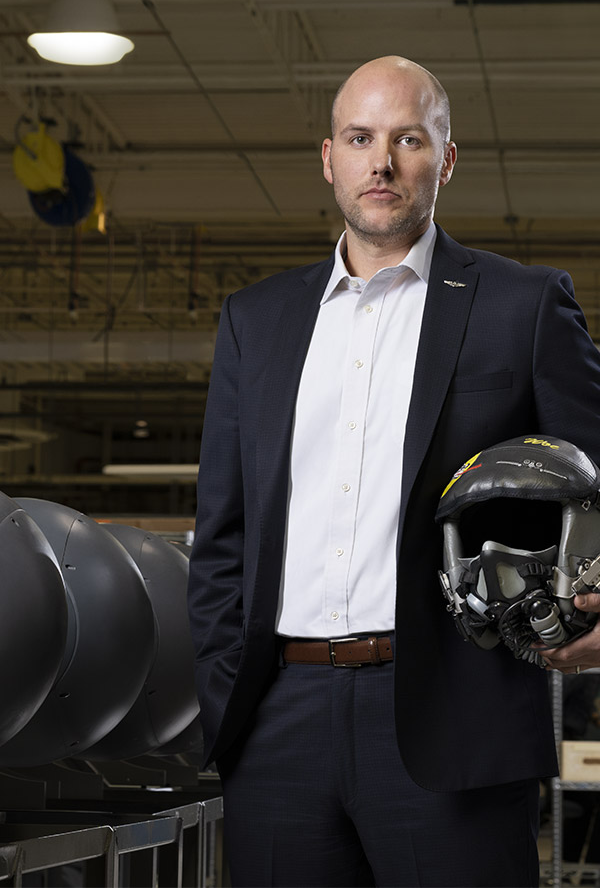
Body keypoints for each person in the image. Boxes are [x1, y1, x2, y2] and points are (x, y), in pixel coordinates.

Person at [187, 55, 600, 887]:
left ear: (444, 159)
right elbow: (223, 534)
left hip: (456, 717)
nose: (381, 162)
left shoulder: (522, 306)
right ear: (329, 157)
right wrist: (230, 693)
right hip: (279, 720)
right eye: (360, 137)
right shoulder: (256, 322)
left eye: (407, 138)